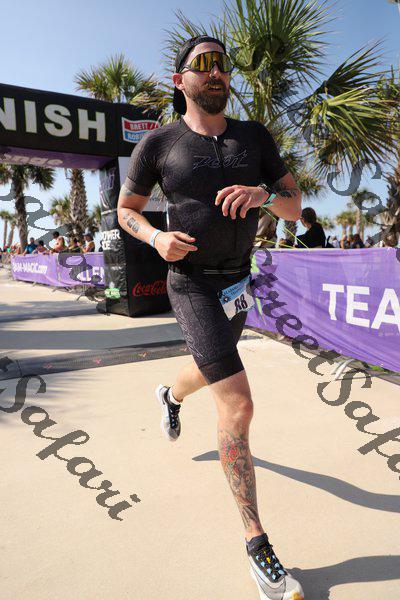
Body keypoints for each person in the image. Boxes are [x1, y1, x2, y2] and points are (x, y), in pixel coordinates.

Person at [117, 35, 304, 600]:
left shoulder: (255, 137)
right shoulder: (159, 143)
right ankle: (256, 543)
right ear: (181, 80)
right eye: (203, 64)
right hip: (191, 282)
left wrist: (263, 195)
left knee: (208, 368)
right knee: (238, 402)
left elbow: (293, 204)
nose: (216, 71)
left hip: (238, 282)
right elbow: (127, 210)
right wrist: (155, 237)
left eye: (222, 63)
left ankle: (169, 396)